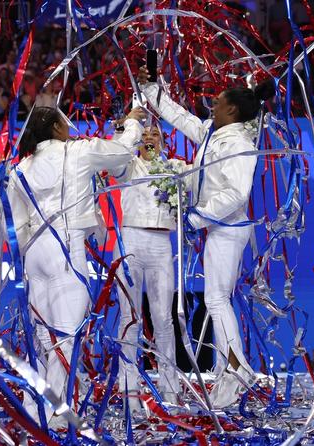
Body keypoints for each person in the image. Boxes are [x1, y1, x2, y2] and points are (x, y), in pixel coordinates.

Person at [137, 65, 272, 408]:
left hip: (228, 229)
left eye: (218, 102)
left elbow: (237, 194)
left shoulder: (239, 143)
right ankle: (234, 368)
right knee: (217, 299)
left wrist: (197, 217)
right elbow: (182, 119)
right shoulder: (216, 132)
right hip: (218, 229)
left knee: (216, 300)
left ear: (234, 110)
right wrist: (154, 90)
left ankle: (236, 370)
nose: (212, 106)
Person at [7, 105, 145, 428]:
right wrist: (134, 125)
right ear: (56, 128)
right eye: (65, 122)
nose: (70, 127)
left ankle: (33, 408)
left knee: (41, 338)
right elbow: (122, 153)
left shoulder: (20, 168)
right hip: (65, 250)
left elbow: (12, 227)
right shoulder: (79, 151)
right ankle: (56, 414)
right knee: (66, 336)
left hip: (34, 255)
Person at [112, 124, 190, 408]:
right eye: (143, 135)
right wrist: (125, 130)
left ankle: (170, 387)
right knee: (129, 318)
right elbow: (114, 154)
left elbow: (194, 186)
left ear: (163, 140)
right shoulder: (128, 165)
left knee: (163, 318)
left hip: (161, 244)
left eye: (153, 134)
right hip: (130, 241)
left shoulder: (175, 167)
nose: (148, 139)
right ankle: (128, 388)